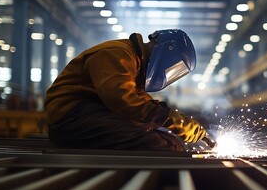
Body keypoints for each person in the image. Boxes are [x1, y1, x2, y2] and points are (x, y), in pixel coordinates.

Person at [45, 29, 206, 151]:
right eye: (174, 68)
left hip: (94, 113)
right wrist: (167, 118)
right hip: (70, 117)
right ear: (166, 54)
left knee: (173, 143)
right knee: (157, 144)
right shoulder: (118, 54)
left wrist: (187, 126)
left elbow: (143, 103)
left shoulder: (136, 66)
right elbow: (120, 99)